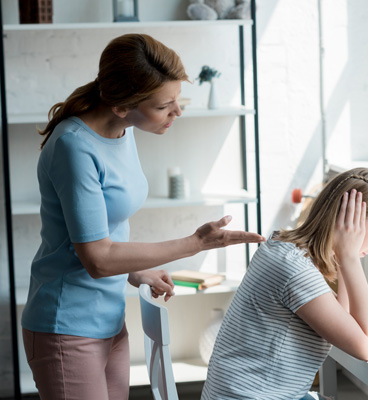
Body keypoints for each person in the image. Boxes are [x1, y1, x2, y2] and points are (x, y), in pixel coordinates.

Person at [20, 33, 265, 400]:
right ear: (122, 104)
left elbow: (100, 233)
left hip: (109, 318)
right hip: (67, 324)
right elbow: (98, 259)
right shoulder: (74, 147)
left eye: (177, 101)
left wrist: (134, 270)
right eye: (165, 105)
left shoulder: (122, 129)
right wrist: (194, 244)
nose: (177, 112)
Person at [201, 167, 368, 400]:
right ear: (350, 221)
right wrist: (350, 257)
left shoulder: (283, 248)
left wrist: (345, 258)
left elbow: (343, 320)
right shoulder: (295, 271)